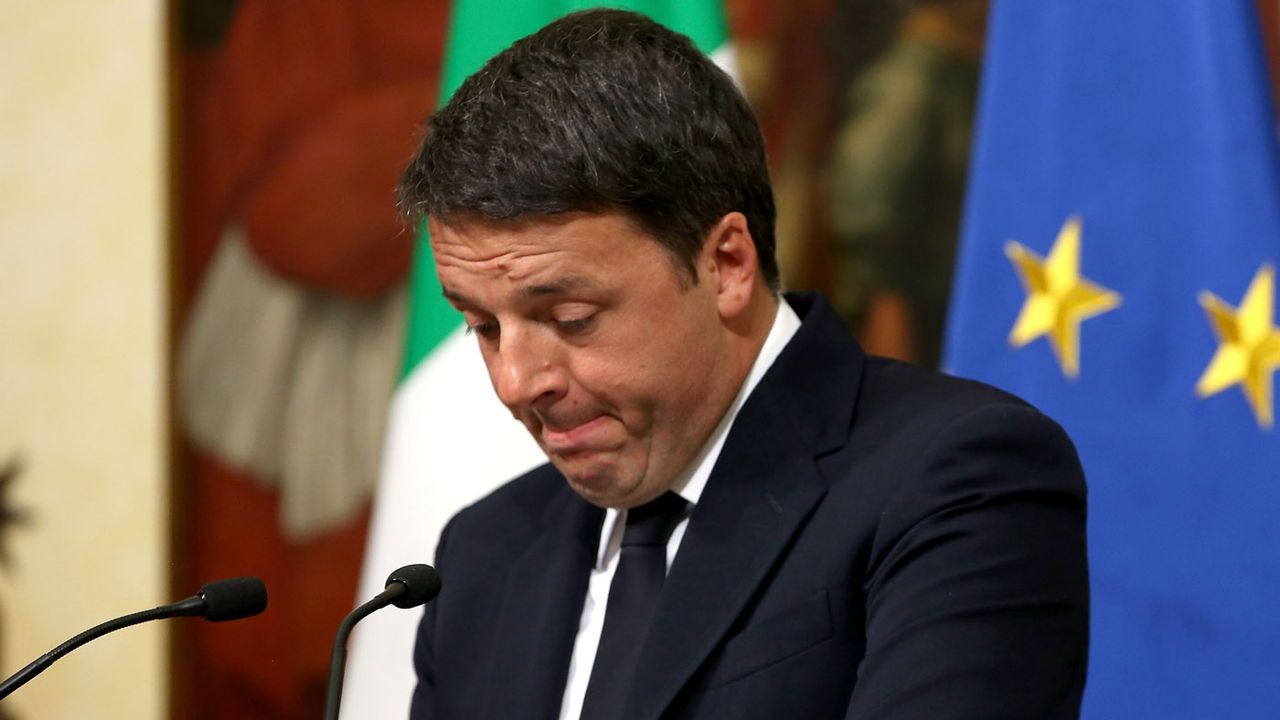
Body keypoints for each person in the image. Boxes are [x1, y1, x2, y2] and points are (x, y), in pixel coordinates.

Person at [398, 9, 1088, 719]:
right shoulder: (482, 554)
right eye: (482, 327)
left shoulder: (957, 479)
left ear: (727, 263)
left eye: (570, 319)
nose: (516, 383)